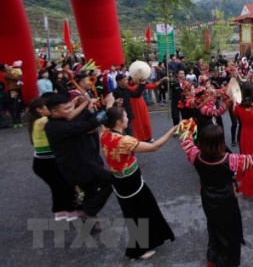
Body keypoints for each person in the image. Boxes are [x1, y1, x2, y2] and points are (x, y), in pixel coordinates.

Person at [179, 122, 253, 267]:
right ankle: (226, 262)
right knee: (229, 232)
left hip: (207, 197)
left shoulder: (195, 155)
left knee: (213, 225)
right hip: (226, 200)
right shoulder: (231, 160)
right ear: (220, 141)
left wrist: (188, 127)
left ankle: (212, 255)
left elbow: (186, 140)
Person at [100, 106, 176, 260]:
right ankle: (138, 251)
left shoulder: (104, 133)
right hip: (130, 182)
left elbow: (105, 119)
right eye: (126, 116)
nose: (128, 118)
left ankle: (151, 239)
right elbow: (154, 147)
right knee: (139, 213)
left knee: (140, 211)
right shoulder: (124, 141)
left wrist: (109, 105)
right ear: (120, 122)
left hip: (120, 180)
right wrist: (172, 130)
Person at [44, 93, 115, 233]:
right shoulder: (55, 127)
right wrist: (109, 106)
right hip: (80, 167)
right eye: (66, 109)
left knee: (90, 191)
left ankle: (89, 222)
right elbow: (91, 123)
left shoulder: (64, 119)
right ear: (54, 112)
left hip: (82, 163)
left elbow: (85, 117)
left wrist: (85, 106)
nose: (70, 111)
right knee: (111, 180)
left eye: (71, 107)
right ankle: (88, 213)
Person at [28, 97, 78, 221]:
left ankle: (60, 212)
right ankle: (71, 212)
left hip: (42, 162)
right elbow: (68, 116)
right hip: (48, 162)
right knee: (66, 185)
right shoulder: (42, 121)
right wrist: (76, 106)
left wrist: (72, 103)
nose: (51, 109)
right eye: (47, 107)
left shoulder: (35, 122)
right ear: (39, 110)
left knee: (57, 187)